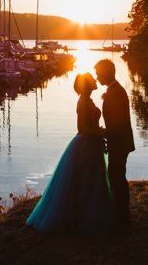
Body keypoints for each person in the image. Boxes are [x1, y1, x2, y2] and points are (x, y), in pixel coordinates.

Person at [26, 72, 117, 235]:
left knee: (92, 181)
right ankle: (83, 218)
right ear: (88, 84)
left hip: (92, 143)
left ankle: (90, 215)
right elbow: (82, 128)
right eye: (92, 79)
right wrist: (100, 132)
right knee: (87, 181)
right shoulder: (82, 102)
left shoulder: (88, 100)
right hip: (86, 145)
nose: (96, 80)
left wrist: (98, 133)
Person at [95, 58, 135, 227]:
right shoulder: (114, 90)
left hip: (119, 142)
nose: (97, 77)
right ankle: (121, 214)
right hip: (119, 141)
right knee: (116, 176)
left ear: (105, 73)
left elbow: (118, 122)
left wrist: (104, 132)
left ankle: (123, 217)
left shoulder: (116, 92)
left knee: (117, 177)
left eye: (98, 74)